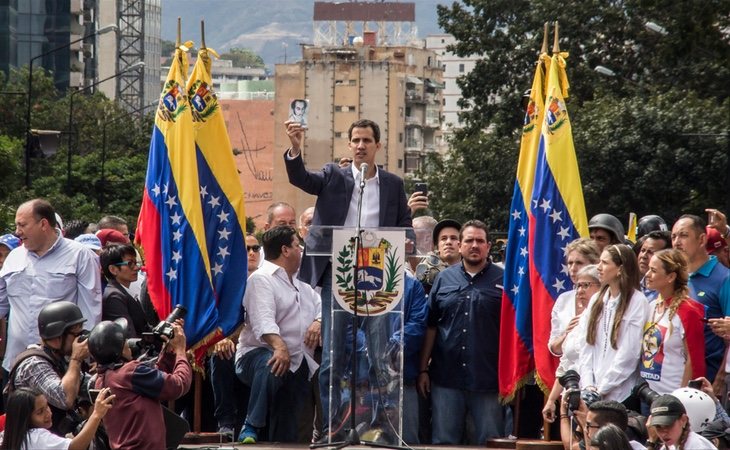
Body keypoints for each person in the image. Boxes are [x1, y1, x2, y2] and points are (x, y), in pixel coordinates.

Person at [284, 118, 412, 441]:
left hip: (379, 278)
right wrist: (296, 148)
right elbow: (302, 178)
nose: (360, 145)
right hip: (338, 275)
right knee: (333, 359)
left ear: (378, 146)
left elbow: (406, 229)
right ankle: (334, 429)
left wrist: (409, 244)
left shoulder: (394, 185)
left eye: (367, 140)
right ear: (349, 145)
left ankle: (384, 430)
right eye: (355, 140)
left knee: (383, 358)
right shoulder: (333, 176)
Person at [417, 220, 504, 444]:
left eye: (480, 241)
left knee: (490, 442)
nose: (474, 245)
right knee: (444, 443)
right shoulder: (443, 279)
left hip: (489, 380)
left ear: (488, 246)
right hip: (446, 378)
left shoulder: (504, 280)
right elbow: (431, 326)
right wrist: (423, 369)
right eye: (469, 240)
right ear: (460, 245)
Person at [235, 226, 321, 444]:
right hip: (258, 356)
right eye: (297, 246)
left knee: (289, 432)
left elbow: (323, 307)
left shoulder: (303, 282)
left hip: (299, 362)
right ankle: (251, 424)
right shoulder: (261, 279)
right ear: (285, 250)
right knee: (271, 362)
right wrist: (280, 347)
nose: (301, 250)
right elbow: (263, 322)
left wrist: (319, 322)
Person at [0, 199, 102, 373]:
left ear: (43, 224)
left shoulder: (80, 256)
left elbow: (91, 312)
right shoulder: (14, 257)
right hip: (16, 363)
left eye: (22, 225)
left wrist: (83, 357)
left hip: (61, 366)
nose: (17, 232)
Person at [89, 318, 192, 450]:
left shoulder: (101, 379)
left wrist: (168, 350)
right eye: (124, 341)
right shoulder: (129, 372)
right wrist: (181, 350)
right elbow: (178, 385)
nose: (128, 344)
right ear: (118, 349)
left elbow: (154, 378)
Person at [5, 302, 90, 436]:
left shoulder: (59, 358)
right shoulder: (32, 364)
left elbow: (88, 386)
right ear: (57, 337)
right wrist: (76, 359)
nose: (79, 341)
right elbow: (64, 399)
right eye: (76, 335)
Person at [578, 244, 649, 405]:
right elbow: (586, 345)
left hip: (620, 394)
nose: (599, 267)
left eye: (605, 263)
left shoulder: (637, 301)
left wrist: (602, 388)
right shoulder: (597, 299)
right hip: (591, 390)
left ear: (620, 269)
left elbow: (629, 353)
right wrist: (588, 385)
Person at [209, 233, 260, 437]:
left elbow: (256, 320)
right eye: (246, 249)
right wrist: (224, 340)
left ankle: (253, 424)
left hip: (258, 343)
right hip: (229, 343)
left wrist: (232, 338)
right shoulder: (223, 280)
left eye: (255, 248)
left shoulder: (266, 277)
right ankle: (226, 423)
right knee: (220, 354)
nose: (251, 253)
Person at [671, 214, 730, 383]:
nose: (676, 242)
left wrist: (720, 378)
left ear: (702, 239)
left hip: (707, 379)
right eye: (673, 236)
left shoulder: (724, 278)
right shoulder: (673, 277)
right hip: (673, 376)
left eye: (683, 235)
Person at [640, 249, 705, 395]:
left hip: (672, 396)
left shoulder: (689, 311)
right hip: (647, 394)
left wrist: (682, 397)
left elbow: (694, 361)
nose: (647, 275)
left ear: (670, 277)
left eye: (653, 270)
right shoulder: (651, 306)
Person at [543, 264, 601, 423]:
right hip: (574, 396)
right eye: (578, 286)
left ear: (602, 287)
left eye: (586, 285)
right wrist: (551, 400)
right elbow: (567, 364)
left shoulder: (606, 320)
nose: (580, 290)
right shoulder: (578, 322)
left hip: (599, 397)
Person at [0, 387, 114, 450]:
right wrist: (96, 415)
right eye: (40, 412)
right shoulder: (37, 437)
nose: (48, 413)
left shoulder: (6, 435)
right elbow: (75, 447)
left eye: (47, 407)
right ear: (24, 418)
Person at [548, 238, 601, 358]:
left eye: (579, 263)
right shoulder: (563, 300)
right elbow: (554, 348)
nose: (573, 268)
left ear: (594, 264)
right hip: (567, 372)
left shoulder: (605, 298)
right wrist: (566, 334)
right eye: (570, 263)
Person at [99, 243, 151, 338]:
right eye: (130, 264)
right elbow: (128, 336)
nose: (137, 268)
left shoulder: (121, 291)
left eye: (136, 263)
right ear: (113, 269)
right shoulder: (114, 297)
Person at [645, 394, 716, 449]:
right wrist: (651, 442)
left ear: (683, 420)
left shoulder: (699, 447)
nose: (663, 434)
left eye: (668, 425)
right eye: (658, 426)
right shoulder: (671, 445)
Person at [637, 231, 672, 302]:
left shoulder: (670, 294)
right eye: (643, 250)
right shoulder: (632, 288)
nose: (643, 256)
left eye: (650, 252)